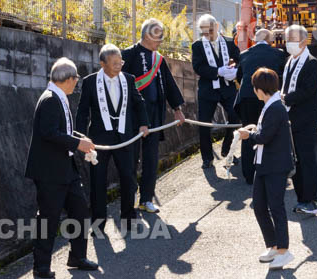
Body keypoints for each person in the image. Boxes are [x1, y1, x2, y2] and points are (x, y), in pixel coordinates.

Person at [25, 58, 98, 278]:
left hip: (65, 167)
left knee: (80, 210)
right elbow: (48, 133)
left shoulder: (59, 97)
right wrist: (78, 144)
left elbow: (62, 129)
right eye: (75, 78)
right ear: (67, 79)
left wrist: (79, 138)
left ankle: (77, 256)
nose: (76, 82)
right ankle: (41, 265)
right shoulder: (49, 100)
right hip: (49, 170)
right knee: (49, 217)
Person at [75, 44, 149, 232]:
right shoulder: (91, 82)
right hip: (99, 139)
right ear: (102, 63)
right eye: (114, 63)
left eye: (120, 62)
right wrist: (80, 136)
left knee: (128, 177)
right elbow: (83, 111)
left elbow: (139, 103)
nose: (119, 66)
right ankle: (98, 224)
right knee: (98, 181)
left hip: (125, 136)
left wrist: (143, 123)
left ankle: (128, 219)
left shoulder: (129, 79)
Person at [122, 19, 186, 213]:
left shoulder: (159, 59)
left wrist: (177, 108)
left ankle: (146, 199)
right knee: (131, 159)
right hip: (132, 117)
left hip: (155, 115)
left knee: (151, 158)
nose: (161, 40)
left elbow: (168, 84)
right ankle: (128, 201)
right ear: (147, 35)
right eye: (158, 35)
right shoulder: (127, 54)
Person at [237, 68, 295, 270]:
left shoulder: (276, 107)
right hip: (264, 163)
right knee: (260, 206)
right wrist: (254, 131)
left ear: (259, 90)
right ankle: (272, 245)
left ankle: (284, 251)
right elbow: (264, 132)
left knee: (276, 207)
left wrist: (248, 135)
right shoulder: (270, 105)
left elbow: (263, 137)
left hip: (275, 165)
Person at [235, 29, 286, 184]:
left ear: (255, 40)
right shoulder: (278, 54)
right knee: (268, 132)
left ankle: (248, 174)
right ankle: (268, 170)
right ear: (270, 40)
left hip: (247, 97)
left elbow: (239, 76)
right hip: (267, 98)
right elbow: (282, 75)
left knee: (248, 132)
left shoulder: (244, 54)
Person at [191, 15, 241, 169]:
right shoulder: (197, 46)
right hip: (208, 88)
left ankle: (227, 149)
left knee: (235, 116)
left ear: (217, 26)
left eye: (210, 31)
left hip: (227, 87)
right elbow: (198, 67)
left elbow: (240, 59)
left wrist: (236, 70)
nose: (208, 35)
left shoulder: (229, 42)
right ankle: (207, 158)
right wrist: (218, 71)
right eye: (204, 32)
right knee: (204, 123)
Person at [282, 25, 317, 216]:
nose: (288, 43)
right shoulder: (289, 61)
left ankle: (311, 200)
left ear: (304, 41)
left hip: (306, 119)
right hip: (290, 119)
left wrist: (285, 99)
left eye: (292, 39)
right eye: (287, 38)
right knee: (295, 160)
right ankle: (301, 199)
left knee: (307, 159)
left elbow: (308, 91)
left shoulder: (311, 63)